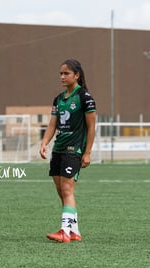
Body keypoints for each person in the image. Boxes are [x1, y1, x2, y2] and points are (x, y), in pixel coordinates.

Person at [39, 59, 96, 243]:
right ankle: (74, 230)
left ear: (76, 75)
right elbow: (52, 124)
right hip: (59, 149)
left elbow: (92, 127)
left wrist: (87, 153)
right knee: (60, 190)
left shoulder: (84, 97)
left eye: (66, 73)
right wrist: (45, 143)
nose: (62, 77)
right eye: (61, 73)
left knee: (67, 189)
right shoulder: (58, 99)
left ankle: (64, 231)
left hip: (74, 149)